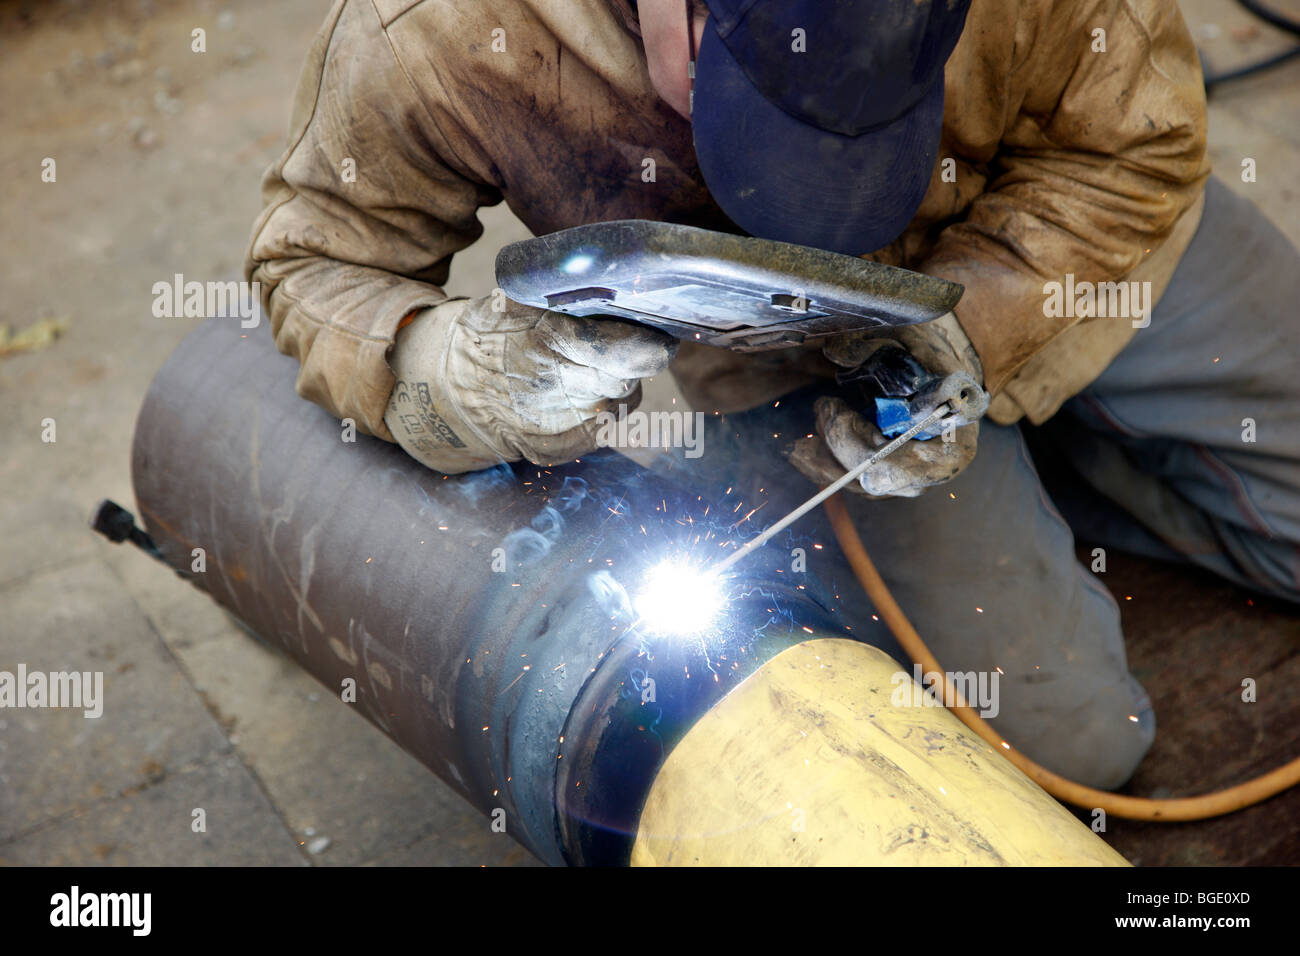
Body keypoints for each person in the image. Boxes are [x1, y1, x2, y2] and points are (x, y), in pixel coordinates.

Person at [246, 0, 1300, 788]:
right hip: (786, 364)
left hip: (1071, 251)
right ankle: (1046, 486)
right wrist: (449, 368)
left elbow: (1136, 143)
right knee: (1078, 743)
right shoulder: (442, 26)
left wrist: (969, 331)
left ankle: (1058, 455)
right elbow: (312, 260)